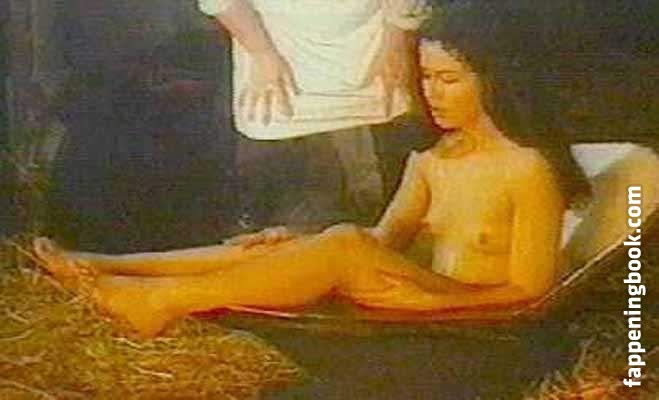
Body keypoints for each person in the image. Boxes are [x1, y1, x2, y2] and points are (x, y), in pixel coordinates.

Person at [32, 23, 566, 337]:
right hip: (409, 291)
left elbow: (532, 291)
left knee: (342, 241)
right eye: (425, 77)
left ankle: (162, 300)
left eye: (448, 79)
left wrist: (433, 305)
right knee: (284, 247)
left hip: (467, 315)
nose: (431, 93)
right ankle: (103, 264)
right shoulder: (432, 159)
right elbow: (384, 243)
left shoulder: (526, 168)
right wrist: (301, 245)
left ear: (493, 82)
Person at [199, 0, 432, 227]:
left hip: (374, 99)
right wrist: (263, 53)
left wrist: (395, 41)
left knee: (381, 227)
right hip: (281, 109)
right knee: (288, 234)